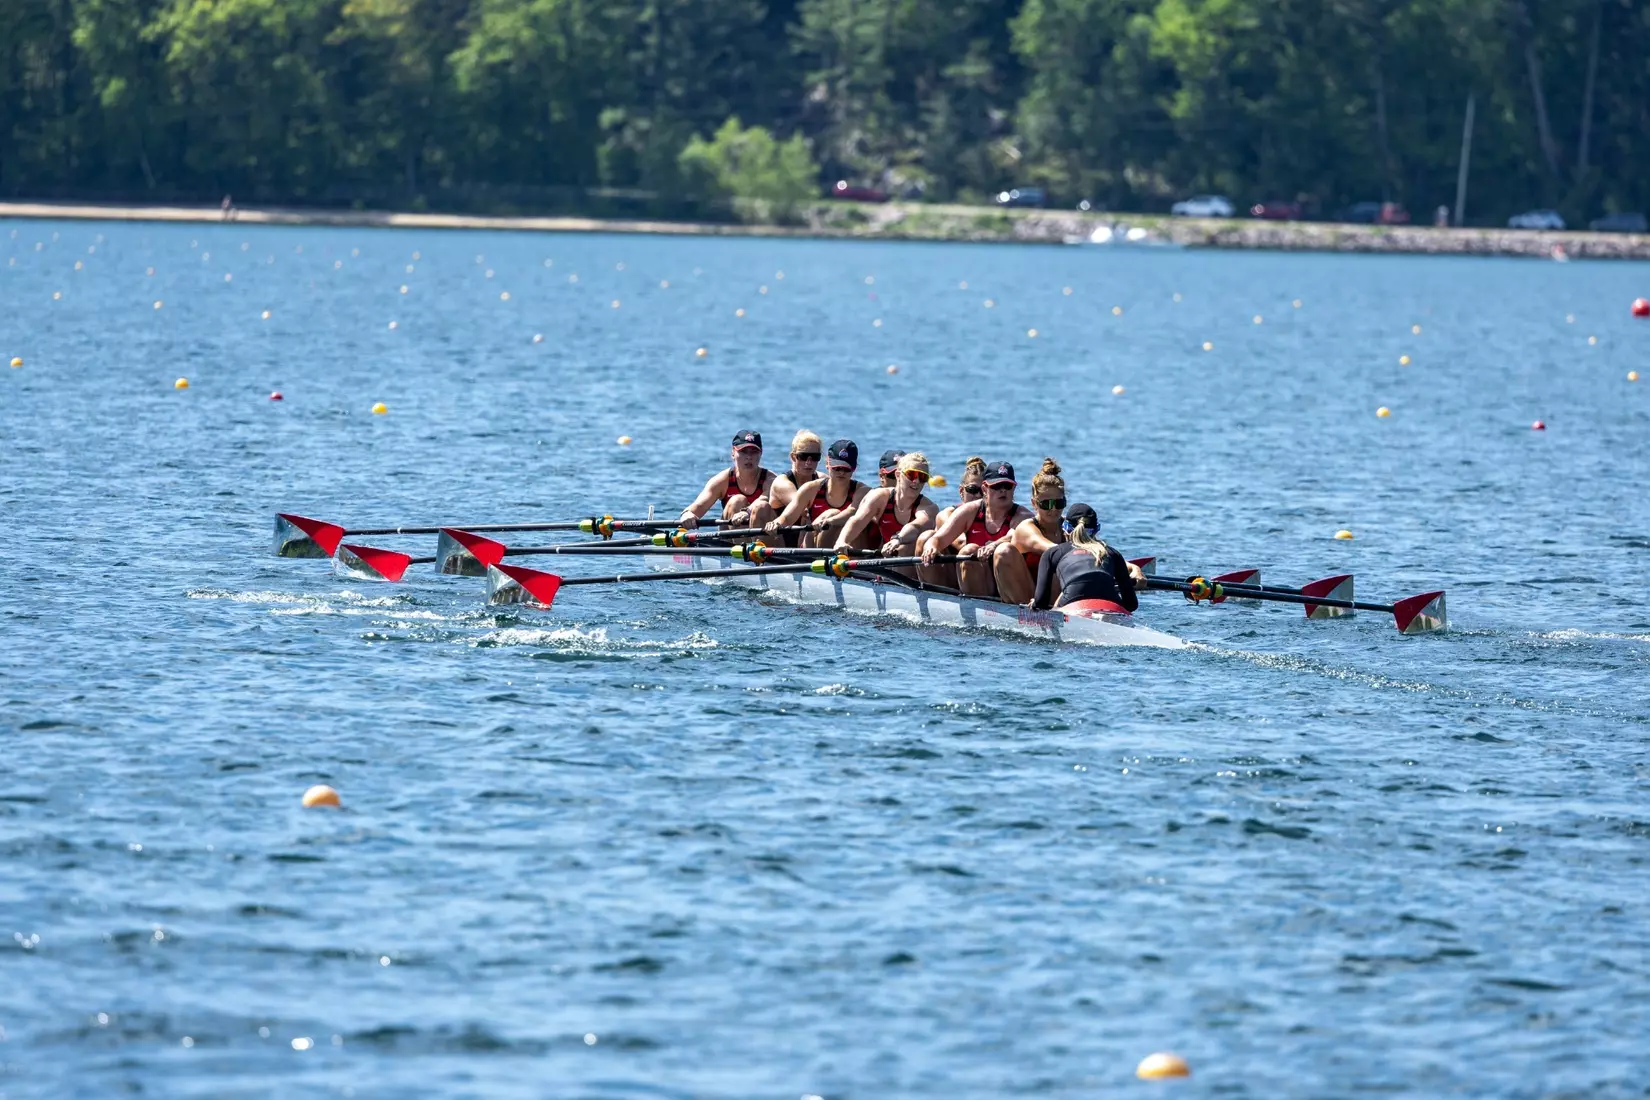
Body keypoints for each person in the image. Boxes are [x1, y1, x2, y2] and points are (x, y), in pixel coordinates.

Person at [918, 458, 1030, 597]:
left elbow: (1013, 535)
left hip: (1011, 586)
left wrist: (994, 545)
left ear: (1014, 488)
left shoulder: (1022, 515)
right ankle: (943, 600)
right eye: (996, 486)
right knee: (966, 550)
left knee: (993, 550)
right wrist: (931, 546)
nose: (1003, 491)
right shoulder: (970, 511)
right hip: (980, 581)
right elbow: (938, 538)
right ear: (985, 488)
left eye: (1007, 486)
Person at [1029, 503, 1147, 613]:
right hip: (1112, 605)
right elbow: (1131, 605)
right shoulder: (1113, 553)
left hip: (1072, 605)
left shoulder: (1052, 553)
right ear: (1096, 529)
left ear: (1065, 528)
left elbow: (1041, 603)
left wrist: (1035, 604)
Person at [836, 452, 939, 572]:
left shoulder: (929, 507)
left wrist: (898, 539)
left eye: (922, 477)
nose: (916, 481)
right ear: (898, 475)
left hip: (914, 569)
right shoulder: (879, 497)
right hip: (889, 559)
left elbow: (916, 526)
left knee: (904, 547)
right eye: (912, 475)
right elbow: (857, 520)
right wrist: (842, 541)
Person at [767, 438, 869, 547]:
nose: (841, 472)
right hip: (814, 545)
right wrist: (776, 523)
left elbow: (853, 511)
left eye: (846, 469)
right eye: (837, 468)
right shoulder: (810, 489)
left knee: (832, 514)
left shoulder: (862, 491)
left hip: (845, 548)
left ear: (854, 468)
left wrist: (830, 521)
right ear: (827, 464)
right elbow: (787, 517)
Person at [678, 429, 777, 529]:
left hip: (764, 539)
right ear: (733, 453)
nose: (748, 457)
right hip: (731, 540)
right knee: (737, 501)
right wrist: (687, 514)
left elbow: (763, 499)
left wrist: (747, 512)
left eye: (754, 452)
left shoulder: (771, 481)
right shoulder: (722, 481)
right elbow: (698, 506)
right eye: (743, 451)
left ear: (761, 453)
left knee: (761, 507)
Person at [915, 457, 987, 588]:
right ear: (961, 491)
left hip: (981, 577)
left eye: (982, 491)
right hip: (951, 579)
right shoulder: (946, 515)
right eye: (972, 489)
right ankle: (932, 593)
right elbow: (962, 543)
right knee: (926, 537)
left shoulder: (996, 515)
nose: (978, 495)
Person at [1006, 457, 1070, 604]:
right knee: (1056, 560)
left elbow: (1095, 548)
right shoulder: (1026, 528)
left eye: (1059, 503)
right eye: (1046, 504)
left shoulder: (1068, 525)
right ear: (1034, 504)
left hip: (1055, 599)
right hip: (1025, 599)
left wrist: (1127, 567)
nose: (1054, 509)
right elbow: (1053, 550)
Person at [769, 429, 825, 517]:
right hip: (782, 530)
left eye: (815, 457)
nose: (809, 462)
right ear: (793, 457)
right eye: (803, 456)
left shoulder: (823, 479)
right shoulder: (782, 483)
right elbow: (802, 509)